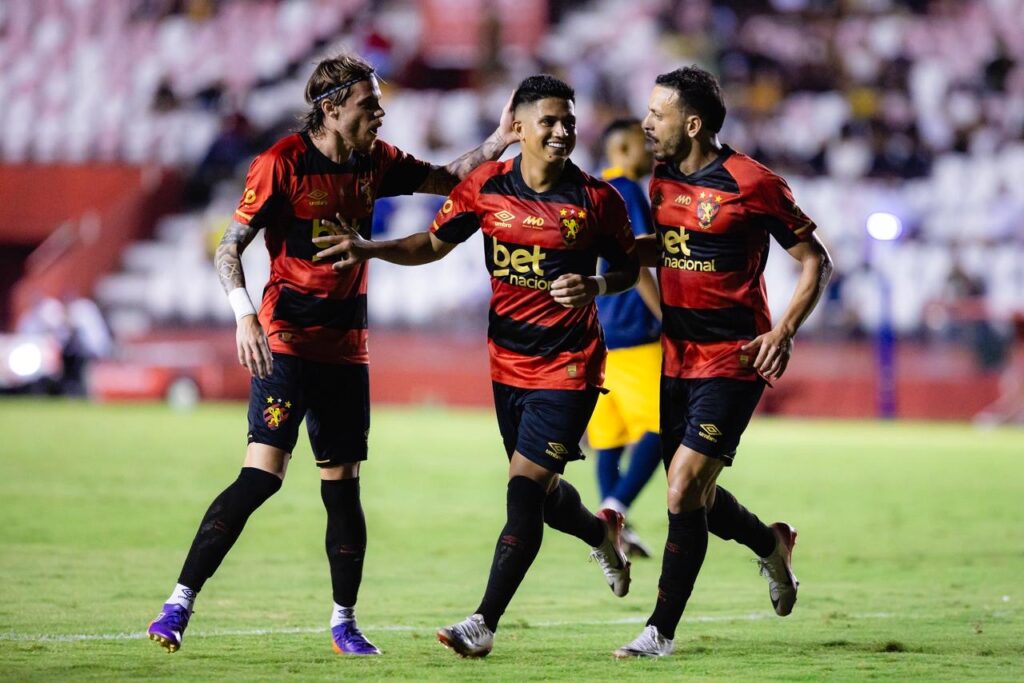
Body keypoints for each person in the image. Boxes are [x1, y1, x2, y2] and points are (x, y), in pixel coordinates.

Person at [146, 52, 519, 656]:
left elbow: (449, 178)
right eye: (370, 104)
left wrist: (500, 139)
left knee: (343, 488)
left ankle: (344, 623)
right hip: (286, 342)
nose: (381, 113)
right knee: (260, 477)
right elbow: (229, 245)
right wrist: (244, 314)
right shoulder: (282, 163)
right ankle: (178, 603)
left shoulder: (377, 160)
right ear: (331, 107)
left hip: (346, 349)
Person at [313, 75, 639, 658]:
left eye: (568, 121)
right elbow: (432, 244)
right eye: (549, 121)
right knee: (542, 494)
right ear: (520, 127)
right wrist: (369, 249)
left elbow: (629, 269)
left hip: (570, 365)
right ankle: (601, 532)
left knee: (523, 492)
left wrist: (594, 285)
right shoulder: (486, 187)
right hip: (506, 363)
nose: (562, 131)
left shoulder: (597, 199)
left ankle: (482, 623)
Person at [613, 66, 833, 658]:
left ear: (692, 124)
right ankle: (771, 544)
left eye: (656, 114)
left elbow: (816, 260)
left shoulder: (752, 182)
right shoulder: (660, 178)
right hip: (676, 358)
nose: (646, 123)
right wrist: (608, 253)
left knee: (683, 488)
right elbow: (667, 249)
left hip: (735, 358)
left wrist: (784, 331)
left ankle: (659, 631)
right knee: (697, 501)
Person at [588, 118, 663, 559]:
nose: (650, 149)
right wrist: (666, 315)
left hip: (600, 335)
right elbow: (636, 262)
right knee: (662, 428)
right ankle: (614, 510)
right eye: (641, 143)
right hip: (635, 333)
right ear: (619, 148)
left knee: (609, 438)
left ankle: (614, 528)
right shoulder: (628, 191)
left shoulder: (592, 192)